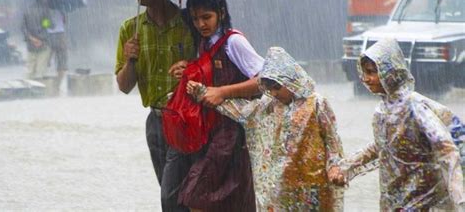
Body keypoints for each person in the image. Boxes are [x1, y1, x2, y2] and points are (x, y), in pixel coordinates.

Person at [187, 46, 345, 211]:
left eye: (277, 87)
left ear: (289, 79)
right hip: (280, 188)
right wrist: (202, 93)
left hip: (314, 184)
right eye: (269, 88)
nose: (274, 93)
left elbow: (332, 140)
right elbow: (239, 110)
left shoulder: (317, 104)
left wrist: (335, 166)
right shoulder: (267, 106)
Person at [329, 38, 465, 211]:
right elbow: (382, 146)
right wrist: (346, 166)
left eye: (372, 72)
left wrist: (458, 195)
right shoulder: (382, 110)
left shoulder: (414, 106)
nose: (366, 79)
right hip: (394, 197)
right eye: (364, 73)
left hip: (424, 198)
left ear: (390, 72)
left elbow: (446, 148)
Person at [169, 0, 263, 211]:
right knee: (205, 198)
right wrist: (188, 70)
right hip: (211, 133)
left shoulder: (234, 42)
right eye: (195, 19)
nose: (201, 24)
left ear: (221, 13)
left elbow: (265, 81)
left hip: (235, 136)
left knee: (199, 196)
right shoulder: (204, 44)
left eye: (206, 17)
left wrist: (222, 92)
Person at [115, 0, 196, 211]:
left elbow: (210, 65)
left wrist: (191, 68)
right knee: (170, 190)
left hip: (186, 119)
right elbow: (124, 86)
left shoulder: (190, 23)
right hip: (156, 122)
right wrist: (130, 59)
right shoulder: (130, 29)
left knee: (172, 195)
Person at [21, 0, 52, 79]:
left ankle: (28, 90)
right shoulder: (45, 10)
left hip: (30, 44)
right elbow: (47, 25)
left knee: (30, 70)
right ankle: (39, 89)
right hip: (43, 43)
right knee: (40, 70)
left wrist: (32, 39)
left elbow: (23, 28)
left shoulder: (27, 10)